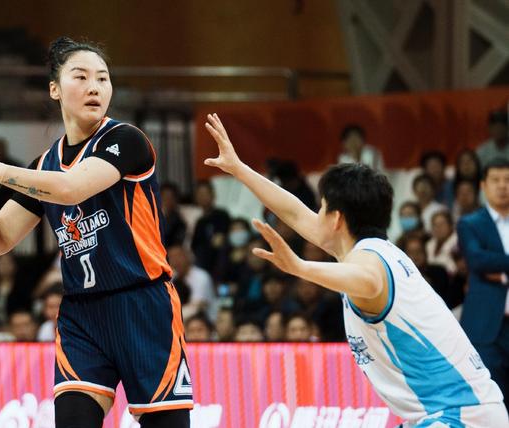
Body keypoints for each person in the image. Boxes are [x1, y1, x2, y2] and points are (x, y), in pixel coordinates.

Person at [0, 37, 192, 427]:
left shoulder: (126, 140)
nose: (95, 87)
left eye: (103, 78)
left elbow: (72, 187)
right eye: (81, 77)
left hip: (143, 305)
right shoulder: (44, 164)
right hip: (81, 314)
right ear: (54, 89)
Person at [204, 113, 508, 426]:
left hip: (459, 415)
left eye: (321, 208)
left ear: (336, 219)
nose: (314, 215)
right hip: (456, 412)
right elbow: (293, 212)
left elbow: (368, 280)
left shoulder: (369, 260)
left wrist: (300, 267)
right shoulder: (370, 249)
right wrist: (239, 169)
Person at [457, 157, 509, 410]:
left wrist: (501, 271)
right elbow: (477, 260)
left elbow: (489, 260)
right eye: (496, 180)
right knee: (491, 403)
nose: (503, 186)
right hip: (487, 327)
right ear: (483, 185)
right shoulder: (470, 223)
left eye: (508, 180)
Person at [190, 180, 230, 274]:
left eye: (205, 193)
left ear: (213, 195)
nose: (202, 197)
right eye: (200, 194)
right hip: (202, 266)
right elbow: (195, 246)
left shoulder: (222, 215)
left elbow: (219, 241)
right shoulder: (200, 222)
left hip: (221, 265)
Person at [159, 182, 187, 247]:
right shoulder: (151, 216)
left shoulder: (179, 221)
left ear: (175, 200)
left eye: (170, 198)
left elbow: (177, 242)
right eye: (164, 197)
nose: (167, 201)